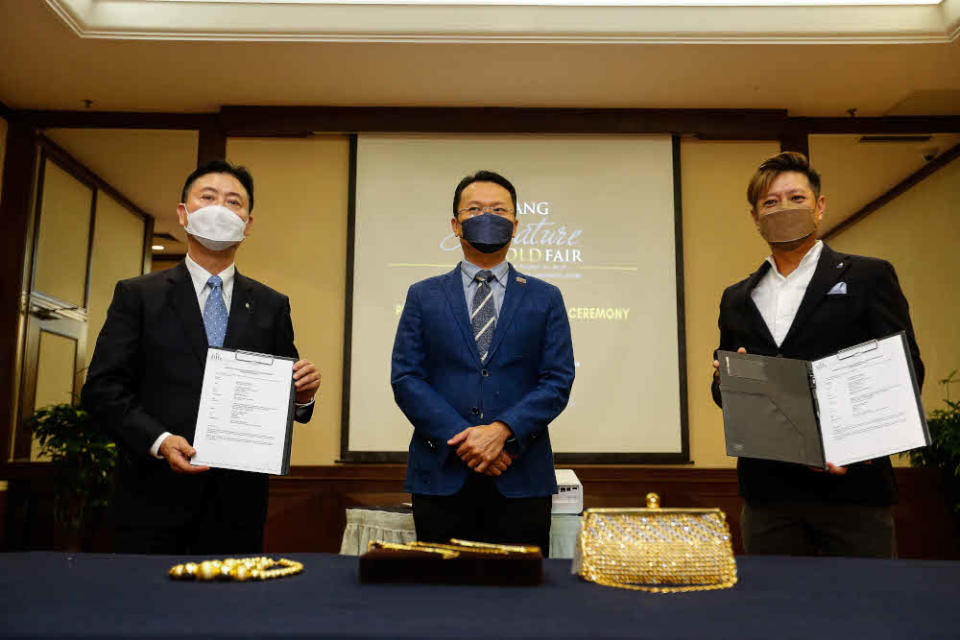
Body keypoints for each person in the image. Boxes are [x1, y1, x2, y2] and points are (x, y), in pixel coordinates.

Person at [82, 160, 321, 554]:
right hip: (151, 497)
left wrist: (303, 393)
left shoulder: (270, 305)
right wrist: (158, 440)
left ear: (248, 222)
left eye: (233, 202)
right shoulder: (138, 294)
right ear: (183, 212)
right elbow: (102, 389)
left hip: (238, 503)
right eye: (207, 198)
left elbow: (285, 391)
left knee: (231, 612)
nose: (220, 209)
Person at [711, 151, 923, 557]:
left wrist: (851, 449)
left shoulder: (868, 277)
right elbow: (726, 398)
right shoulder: (737, 297)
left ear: (820, 206)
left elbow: (906, 372)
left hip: (854, 490)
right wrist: (727, 381)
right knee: (776, 616)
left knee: (865, 612)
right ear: (755, 217)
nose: (783, 209)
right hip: (768, 495)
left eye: (796, 198)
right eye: (770, 203)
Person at [391, 170, 575, 555]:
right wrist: (468, 439)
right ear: (456, 225)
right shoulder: (423, 296)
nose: (487, 217)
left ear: (515, 224)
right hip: (441, 474)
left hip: (520, 474)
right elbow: (407, 377)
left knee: (522, 602)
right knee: (440, 597)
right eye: (475, 209)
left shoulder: (546, 297)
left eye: (498, 209)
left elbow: (557, 380)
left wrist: (501, 431)